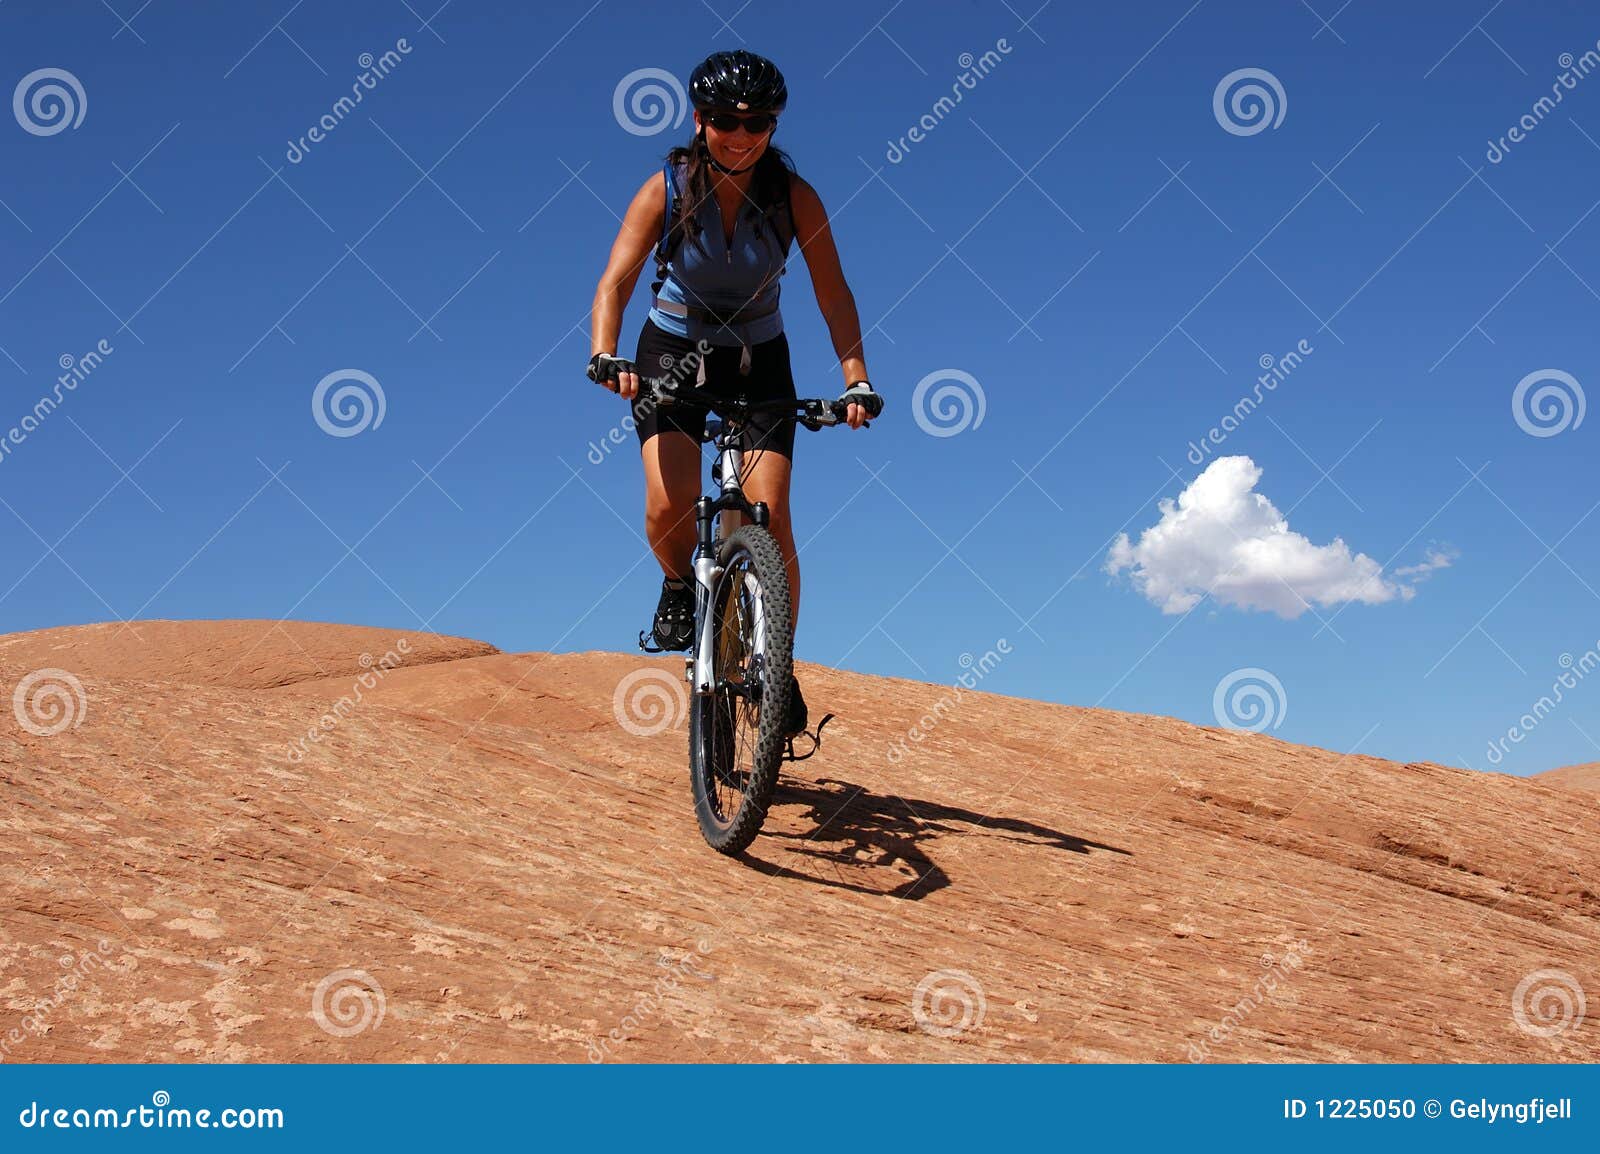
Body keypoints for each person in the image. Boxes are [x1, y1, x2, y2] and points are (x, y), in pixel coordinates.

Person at [587, 49, 882, 736]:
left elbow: (832, 293)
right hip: (672, 356)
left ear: (775, 125)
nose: (740, 134)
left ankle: (774, 667)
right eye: (724, 120)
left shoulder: (792, 196)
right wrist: (604, 352)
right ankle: (679, 583)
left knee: (770, 519)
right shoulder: (664, 188)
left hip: (758, 359)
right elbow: (617, 283)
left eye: (758, 121)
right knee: (668, 510)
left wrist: (856, 378)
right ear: (699, 119)